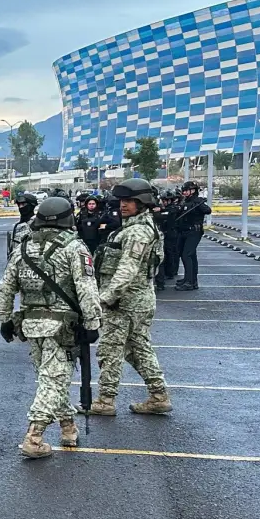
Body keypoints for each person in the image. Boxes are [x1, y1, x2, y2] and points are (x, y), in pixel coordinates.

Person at [0, 196, 102, 457]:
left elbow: (5, 287)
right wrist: (93, 322)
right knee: (53, 382)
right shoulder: (74, 247)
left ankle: (68, 428)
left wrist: (5, 319)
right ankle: (34, 438)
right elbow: (87, 288)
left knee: (51, 379)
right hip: (62, 328)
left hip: (32, 326)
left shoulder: (23, 247)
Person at [88, 178, 171, 417]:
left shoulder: (137, 232)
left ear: (142, 202)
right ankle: (159, 395)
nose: (123, 206)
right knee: (138, 349)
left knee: (109, 350)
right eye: (122, 201)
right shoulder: (138, 227)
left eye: (129, 201)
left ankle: (105, 400)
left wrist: (104, 298)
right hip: (138, 300)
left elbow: (127, 268)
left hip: (124, 303)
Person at [174, 180, 211, 291]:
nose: (184, 193)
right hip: (185, 231)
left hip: (194, 232)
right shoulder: (186, 202)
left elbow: (208, 210)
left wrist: (198, 204)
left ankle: (190, 282)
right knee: (190, 256)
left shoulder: (198, 202)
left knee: (187, 255)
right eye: (183, 191)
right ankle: (190, 279)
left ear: (193, 191)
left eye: (186, 191)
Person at [153, 188, 182, 292]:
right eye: (163, 200)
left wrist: (161, 210)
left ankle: (170, 272)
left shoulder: (173, 208)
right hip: (164, 233)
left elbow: (171, 212)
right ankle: (167, 273)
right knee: (165, 254)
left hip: (171, 234)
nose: (164, 202)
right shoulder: (163, 208)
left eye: (166, 200)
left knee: (170, 253)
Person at [7, 192, 39, 259]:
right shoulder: (18, 225)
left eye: (23, 204)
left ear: (31, 205)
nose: (20, 207)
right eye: (19, 205)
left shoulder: (38, 223)